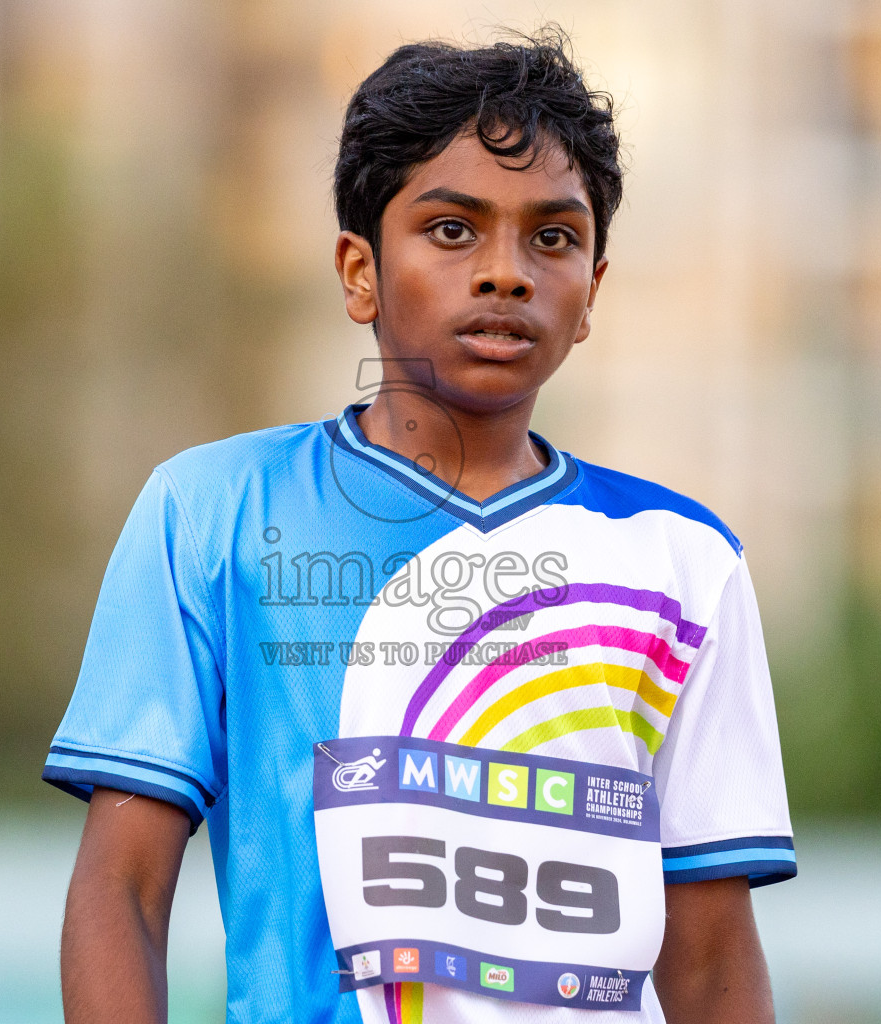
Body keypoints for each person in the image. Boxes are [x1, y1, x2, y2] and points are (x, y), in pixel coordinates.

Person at [46, 30, 794, 1024]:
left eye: (553, 237)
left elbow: (707, 960)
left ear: (591, 297)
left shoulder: (687, 562)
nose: (506, 272)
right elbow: (123, 893)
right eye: (452, 229)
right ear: (359, 271)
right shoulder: (212, 514)